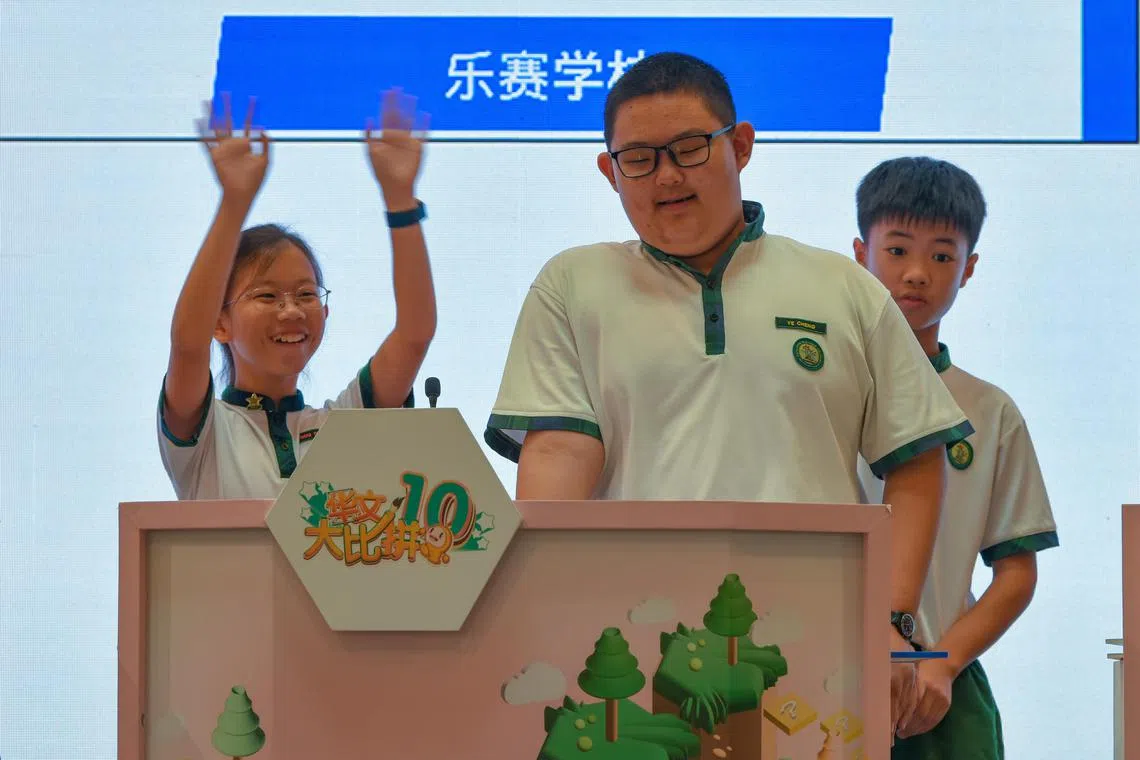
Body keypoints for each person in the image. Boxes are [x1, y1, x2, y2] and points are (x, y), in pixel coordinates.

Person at [483, 51, 973, 733]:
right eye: (639, 159)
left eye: (689, 148)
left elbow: (915, 457)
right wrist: (541, 611)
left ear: (740, 145)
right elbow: (560, 454)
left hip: (819, 643)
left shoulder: (842, 287)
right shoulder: (572, 285)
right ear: (609, 171)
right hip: (627, 642)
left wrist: (891, 620)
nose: (667, 176)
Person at [853, 156, 1059, 756]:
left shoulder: (990, 411)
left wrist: (944, 663)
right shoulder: (821, 392)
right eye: (897, 250)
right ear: (860, 254)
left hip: (939, 691)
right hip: (821, 676)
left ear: (969, 268)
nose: (917, 274)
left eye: (942, 257)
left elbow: (1016, 572)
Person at [158, 89, 436, 500]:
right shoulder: (206, 429)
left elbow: (414, 333)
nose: (291, 310)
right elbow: (187, 344)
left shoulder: (345, 423)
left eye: (306, 294)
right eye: (267, 297)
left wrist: (400, 201)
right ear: (219, 322)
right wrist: (234, 203)